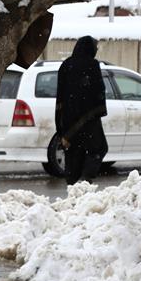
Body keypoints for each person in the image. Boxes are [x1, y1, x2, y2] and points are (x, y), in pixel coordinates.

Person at [55, 35, 108, 185]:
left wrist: (60, 124)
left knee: (74, 152)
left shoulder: (66, 65)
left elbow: (60, 95)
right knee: (98, 149)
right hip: (89, 118)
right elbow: (98, 90)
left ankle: (73, 183)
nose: (96, 50)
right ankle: (85, 180)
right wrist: (97, 110)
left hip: (68, 119)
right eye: (95, 48)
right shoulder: (92, 65)